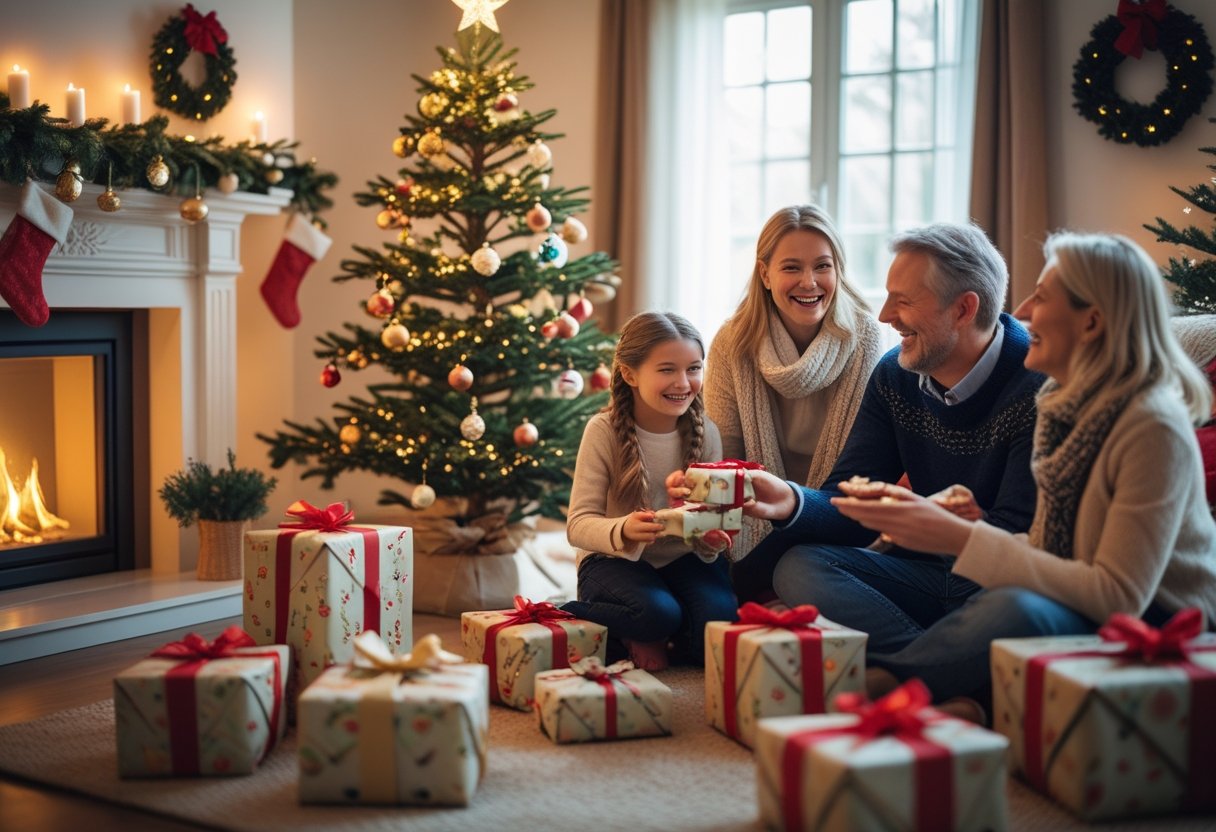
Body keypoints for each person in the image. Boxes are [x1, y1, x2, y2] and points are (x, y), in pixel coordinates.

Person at [816, 232, 1216, 719]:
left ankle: (893, 684)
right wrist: (953, 529)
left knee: (1014, 607)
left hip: (1158, 619)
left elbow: (1120, 596)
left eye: (1042, 296)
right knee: (1005, 599)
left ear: (1090, 321)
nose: (1022, 307)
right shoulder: (1059, 406)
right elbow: (1047, 550)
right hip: (1072, 598)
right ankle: (949, 687)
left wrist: (962, 539)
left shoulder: (1152, 427)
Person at [730, 221, 1045, 717]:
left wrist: (931, 524)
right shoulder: (897, 374)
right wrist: (791, 500)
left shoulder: (1037, 384)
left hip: (997, 580)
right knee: (802, 565)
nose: (884, 315)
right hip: (924, 578)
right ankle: (952, 675)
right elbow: (848, 501)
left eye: (903, 300)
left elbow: (1022, 540)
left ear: (964, 308)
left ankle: (907, 679)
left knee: (1022, 608)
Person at [706, 206, 884, 595]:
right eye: (791, 268)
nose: (810, 282)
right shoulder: (732, 343)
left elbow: (864, 473)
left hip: (835, 519)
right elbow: (725, 457)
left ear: (838, 270)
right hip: (755, 518)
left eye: (823, 266)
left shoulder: (866, 339)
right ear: (765, 273)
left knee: (778, 579)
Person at [564, 311, 737, 670]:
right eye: (666, 369)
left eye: (694, 368)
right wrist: (623, 529)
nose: (683, 382)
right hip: (614, 561)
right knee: (654, 613)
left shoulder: (707, 433)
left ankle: (654, 634)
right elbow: (578, 525)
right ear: (629, 374)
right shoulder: (603, 431)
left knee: (718, 623)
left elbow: (713, 527)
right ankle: (571, 615)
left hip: (682, 558)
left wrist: (713, 537)